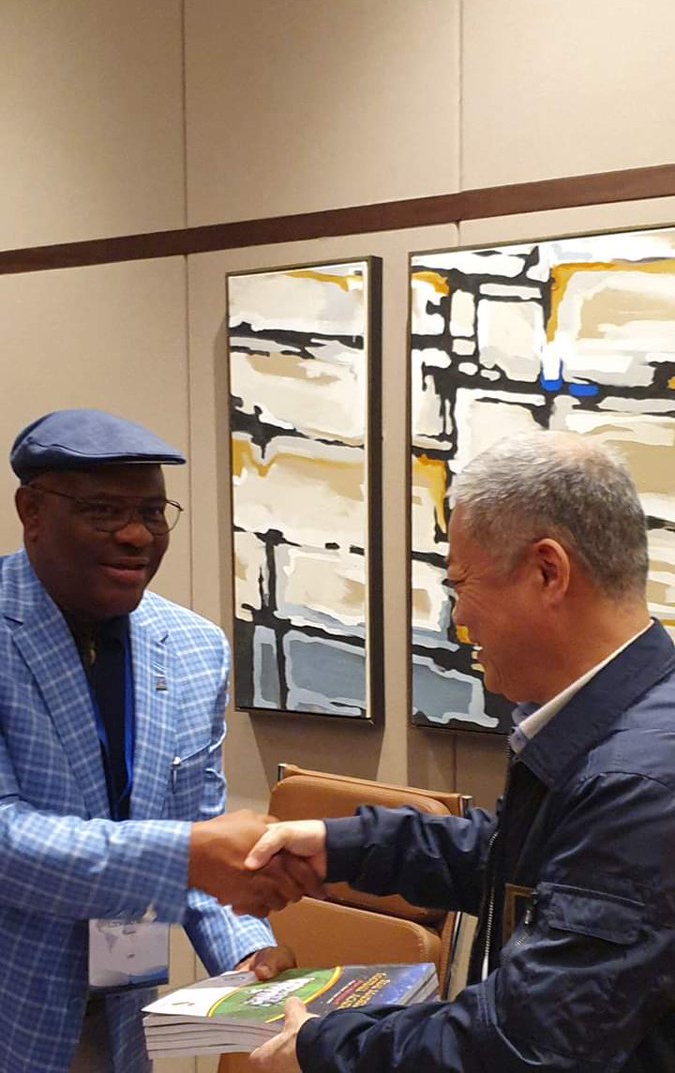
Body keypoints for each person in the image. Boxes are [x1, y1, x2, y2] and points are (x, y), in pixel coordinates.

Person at [245, 431, 675, 1073]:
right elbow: (519, 859)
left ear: (548, 572)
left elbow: (524, 1045)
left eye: (461, 586)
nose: (457, 622)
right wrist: (341, 845)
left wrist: (320, 1048)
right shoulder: (626, 728)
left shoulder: (637, 783)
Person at [0, 409, 318, 1073]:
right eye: (103, 512)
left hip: (120, 1017)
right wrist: (188, 855)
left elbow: (198, 829)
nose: (137, 535)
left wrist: (245, 947)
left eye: (152, 512)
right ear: (32, 512)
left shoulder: (196, 648)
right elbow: (8, 842)